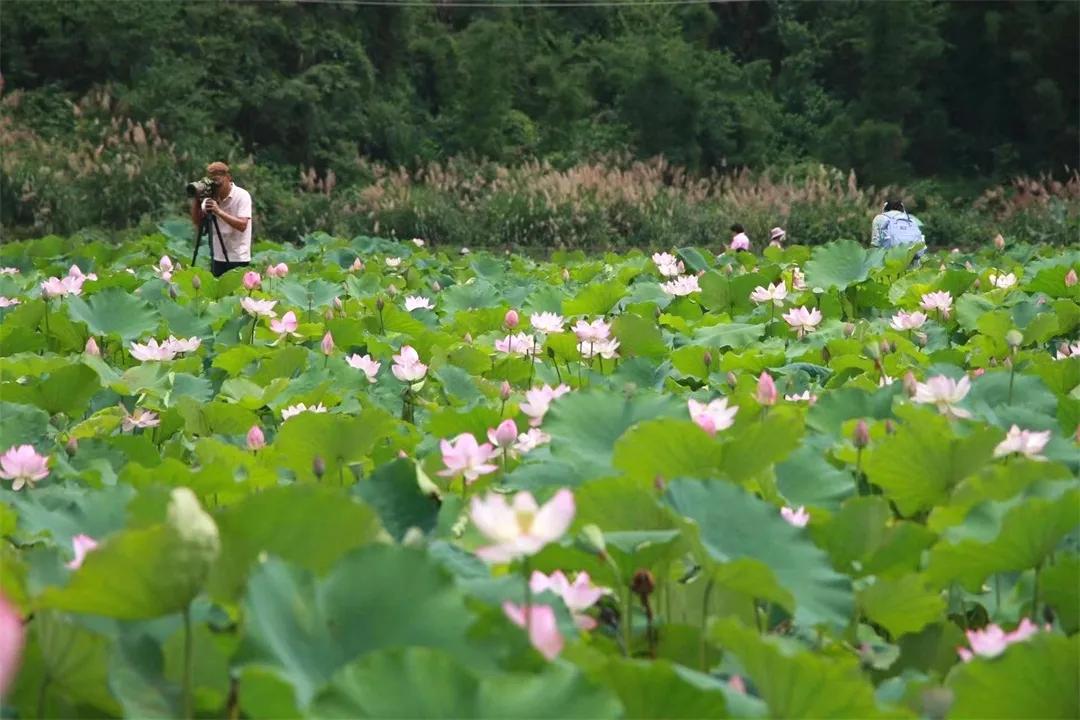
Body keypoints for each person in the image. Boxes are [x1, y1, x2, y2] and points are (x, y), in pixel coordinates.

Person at [190, 161, 253, 277]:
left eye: (218, 183)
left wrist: (218, 211)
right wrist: (197, 200)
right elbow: (197, 222)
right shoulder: (211, 198)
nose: (217, 188)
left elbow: (242, 225)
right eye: (213, 184)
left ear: (228, 178)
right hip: (218, 256)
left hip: (238, 256)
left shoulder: (242, 196)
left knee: (236, 293)